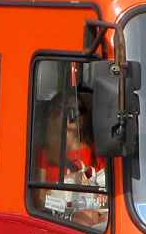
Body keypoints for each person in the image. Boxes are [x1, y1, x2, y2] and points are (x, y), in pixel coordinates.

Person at [34, 92, 106, 227]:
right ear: (57, 115)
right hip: (59, 211)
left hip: (95, 209)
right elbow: (39, 200)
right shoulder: (44, 153)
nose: (78, 115)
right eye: (71, 110)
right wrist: (70, 180)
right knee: (89, 216)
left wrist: (102, 192)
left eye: (82, 110)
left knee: (109, 217)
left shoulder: (96, 150)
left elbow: (107, 185)